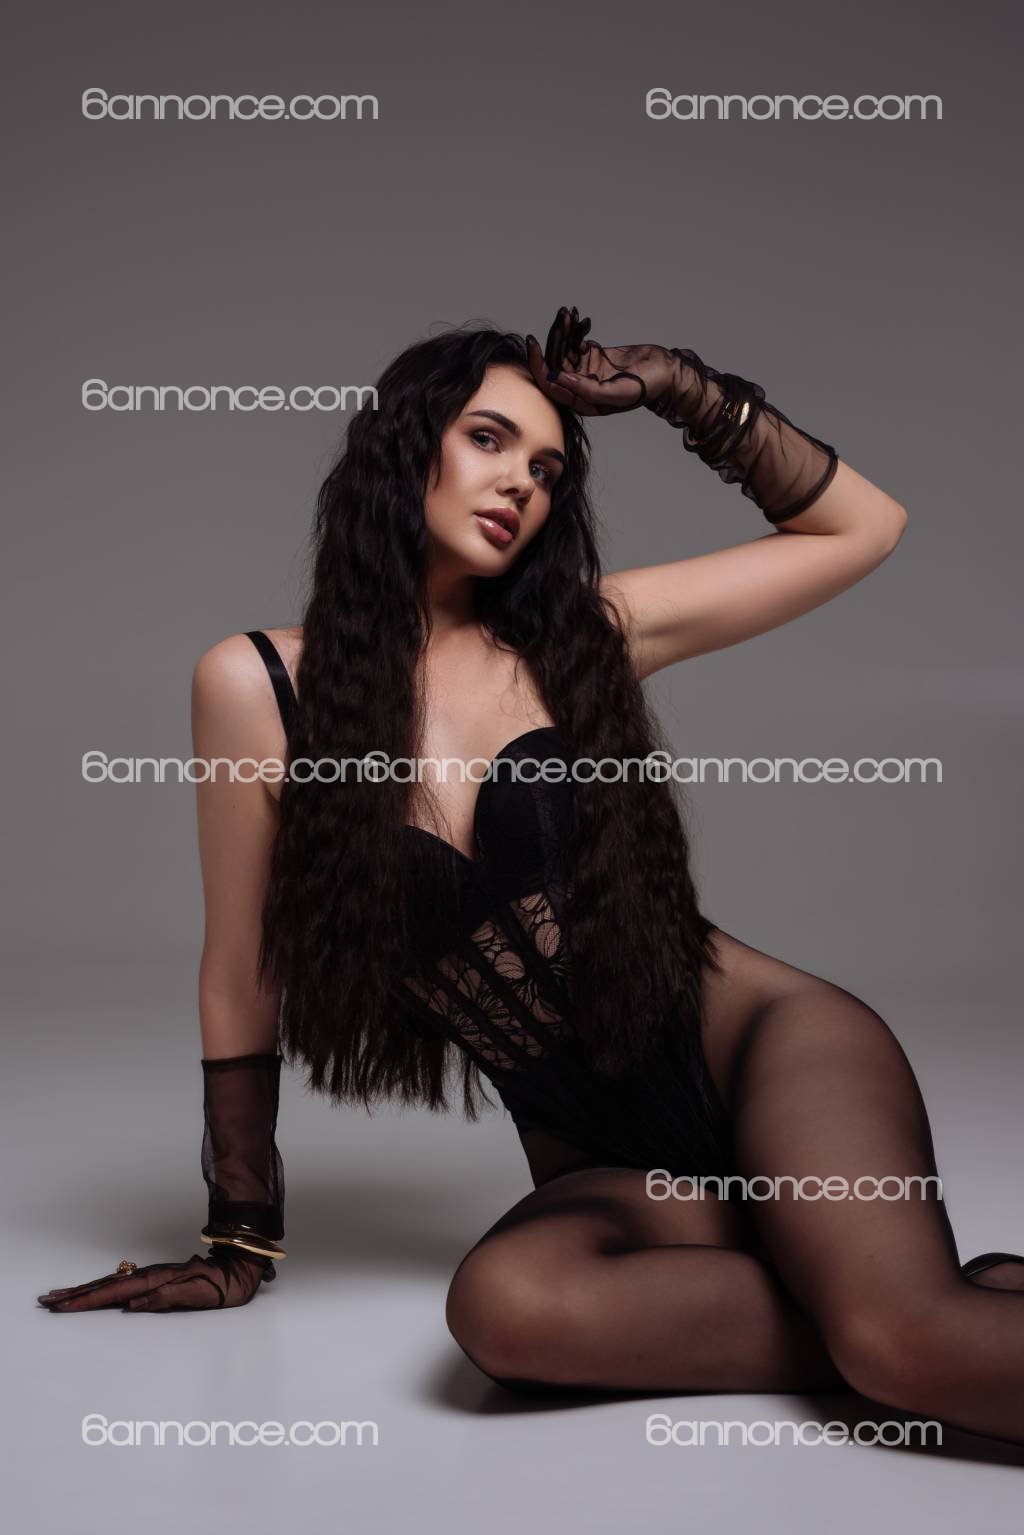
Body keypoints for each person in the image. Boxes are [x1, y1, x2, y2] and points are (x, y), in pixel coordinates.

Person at [37, 307, 1024, 1446]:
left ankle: (886, 1320)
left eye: (548, 468)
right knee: (506, 1310)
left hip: (763, 1053)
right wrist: (240, 1235)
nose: (521, 482)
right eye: (489, 438)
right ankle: (870, 1301)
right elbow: (240, 968)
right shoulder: (256, 686)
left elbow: (863, 527)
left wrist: (682, 388)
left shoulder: (583, 636)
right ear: (405, 442)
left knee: (902, 1343)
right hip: (601, 1162)